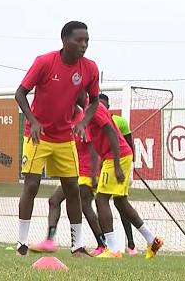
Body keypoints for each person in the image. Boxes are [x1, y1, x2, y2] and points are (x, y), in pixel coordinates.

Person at [14, 21, 101, 257]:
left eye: (86, 41)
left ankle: (77, 246)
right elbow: (20, 93)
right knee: (31, 185)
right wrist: (32, 121)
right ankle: (21, 244)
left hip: (65, 138)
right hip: (37, 136)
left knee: (72, 189)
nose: (83, 45)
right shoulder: (44, 62)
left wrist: (82, 122)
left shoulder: (89, 69)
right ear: (64, 40)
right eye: (78, 40)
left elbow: (94, 101)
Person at [30, 94, 106, 255]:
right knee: (54, 200)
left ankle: (102, 244)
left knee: (84, 205)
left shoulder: (82, 119)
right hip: (72, 170)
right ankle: (50, 240)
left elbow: (93, 147)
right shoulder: (66, 121)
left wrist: (93, 175)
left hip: (85, 171)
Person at [90, 99, 164, 259]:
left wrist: (116, 165)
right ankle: (152, 240)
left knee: (101, 199)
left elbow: (111, 133)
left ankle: (113, 249)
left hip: (117, 157)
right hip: (115, 157)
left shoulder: (94, 107)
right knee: (120, 202)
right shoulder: (86, 110)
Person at [99, 93, 137, 255]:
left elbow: (128, 143)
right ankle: (107, 245)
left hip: (118, 163)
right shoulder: (94, 119)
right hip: (106, 165)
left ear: (107, 107)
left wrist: (123, 167)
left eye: (102, 105)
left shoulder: (119, 121)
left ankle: (127, 245)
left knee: (115, 203)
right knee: (117, 202)